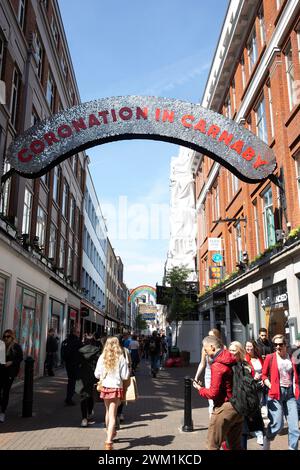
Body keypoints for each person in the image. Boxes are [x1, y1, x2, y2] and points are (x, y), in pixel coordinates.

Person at [193, 335, 243, 450]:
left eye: (205, 349)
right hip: (238, 406)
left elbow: (213, 393)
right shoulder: (231, 358)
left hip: (224, 408)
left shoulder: (218, 365)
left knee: (212, 445)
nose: (205, 352)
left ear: (212, 347)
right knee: (235, 446)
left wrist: (200, 389)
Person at [262, 334, 300, 450]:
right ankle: (268, 438)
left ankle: (292, 448)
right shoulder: (270, 357)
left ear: (285, 345)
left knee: (294, 428)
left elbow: (295, 374)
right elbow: (264, 375)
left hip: (290, 394)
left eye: (280, 344)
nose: (278, 347)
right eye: (275, 344)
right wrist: (269, 384)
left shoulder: (291, 357)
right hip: (276, 394)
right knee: (277, 425)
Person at [94, 336, 130, 450]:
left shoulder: (102, 357)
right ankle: (109, 441)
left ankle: (111, 431)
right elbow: (125, 376)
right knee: (113, 415)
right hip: (115, 387)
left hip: (105, 386)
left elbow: (96, 374)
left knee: (108, 411)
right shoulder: (121, 358)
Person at [229, 341, 264, 449]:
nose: (231, 353)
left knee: (243, 432)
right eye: (229, 350)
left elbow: (247, 385)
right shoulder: (228, 365)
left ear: (239, 352)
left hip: (242, 403)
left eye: (234, 350)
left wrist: (256, 384)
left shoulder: (245, 366)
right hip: (232, 403)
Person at [194, 328, 223, 417]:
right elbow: (202, 364)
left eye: (212, 336)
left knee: (220, 398)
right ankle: (212, 419)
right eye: (208, 336)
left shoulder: (223, 348)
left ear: (217, 337)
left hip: (219, 374)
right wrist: (196, 377)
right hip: (209, 375)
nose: (209, 338)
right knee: (211, 399)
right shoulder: (205, 348)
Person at [76, 333, 101, 427]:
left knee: (83, 397)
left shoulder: (80, 351)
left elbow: (76, 364)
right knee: (91, 395)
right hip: (93, 376)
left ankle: (84, 418)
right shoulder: (97, 350)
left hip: (82, 377)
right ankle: (90, 413)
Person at [244, 339, 265, 445]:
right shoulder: (244, 359)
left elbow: (264, 371)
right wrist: (253, 377)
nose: (248, 348)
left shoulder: (259, 358)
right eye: (247, 346)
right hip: (250, 388)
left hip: (260, 387)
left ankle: (258, 431)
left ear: (254, 347)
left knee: (258, 407)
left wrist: (263, 379)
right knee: (252, 409)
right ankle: (257, 431)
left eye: (250, 346)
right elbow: (244, 375)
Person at [0, 329, 23, 423]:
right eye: (4, 336)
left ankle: (2, 412)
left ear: (12, 337)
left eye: (8, 336)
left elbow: (20, 358)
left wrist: (12, 362)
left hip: (10, 372)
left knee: (5, 391)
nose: (6, 338)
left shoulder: (16, 347)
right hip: (1, 371)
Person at [61, 327, 82, 406]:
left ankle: (70, 396)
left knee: (71, 380)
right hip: (75, 364)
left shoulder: (65, 341)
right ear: (74, 332)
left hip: (68, 364)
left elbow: (63, 353)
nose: (79, 334)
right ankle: (69, 398)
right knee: (73, 381)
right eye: (78, 332)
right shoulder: (77, 342)